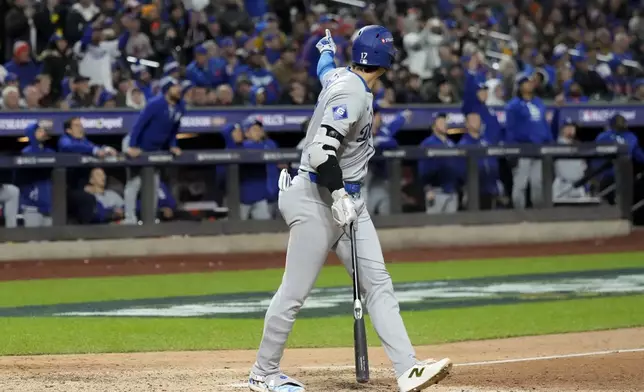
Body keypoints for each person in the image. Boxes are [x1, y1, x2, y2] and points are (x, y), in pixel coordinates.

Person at [248, 26, 451, 392]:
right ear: (386, 60)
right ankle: (263, 373)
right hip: (316, 198)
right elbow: (319, 151)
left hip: (347, 200)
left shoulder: (342, 77)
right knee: (294, 293)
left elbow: (325, 68)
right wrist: (339, 195)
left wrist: (325, 50)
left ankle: (408, 368)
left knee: (378, 285)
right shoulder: (352, 93)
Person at [123, 77, 184, 224]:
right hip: (136, 142)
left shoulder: (180, 107)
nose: (179, 89)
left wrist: (172, 145)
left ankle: (150, 218)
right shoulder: (155, 104)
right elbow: (138, 126)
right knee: (134, 183)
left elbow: (174, 130)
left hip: (154, 148)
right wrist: (132, 146)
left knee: (154, 183)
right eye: (175, 87)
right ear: (167, 89)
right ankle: (129, 219)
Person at [505, 73, 553, 209]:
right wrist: (512, 152)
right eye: (526, 82)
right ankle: (518, 213)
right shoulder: (513, 106)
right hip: (523, 149)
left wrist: (549, 142)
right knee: (521, 184)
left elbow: (544, 124)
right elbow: (511, 130)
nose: (529, 84)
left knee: (538, 183)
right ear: (519, 86)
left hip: (539, 149)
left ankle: (538, 213)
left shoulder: (539, 102)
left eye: (530, 82)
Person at [364, 105, 411, 216]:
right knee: (365, 216)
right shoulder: (362, 133)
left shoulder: (383, 132)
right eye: (377, 116)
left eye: (379, 116)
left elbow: (393, 139)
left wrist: (403, 116)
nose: (380, 118)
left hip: (382, 181)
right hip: (365, 182)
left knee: (386, 214)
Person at [458, 113, 503, 210]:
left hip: (490, 187)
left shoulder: (486, 141)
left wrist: (496, 180)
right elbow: (460, 168)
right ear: (467, 124)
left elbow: (494, 162)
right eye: (473, 120)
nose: (477, 123)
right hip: (473, 188)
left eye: (478, 120)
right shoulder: (463, 144)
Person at [418, 113, 460, 214]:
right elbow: (422, 168)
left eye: (445, 122)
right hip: (436, 191)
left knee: (453, 227)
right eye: (441, 122)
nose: (444, 124)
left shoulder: (451, 144)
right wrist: (427, 189)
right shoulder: (427, 143)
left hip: (452, 191)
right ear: (433, 126)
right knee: (434, 226)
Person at [18, 122, 54, 227]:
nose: (43, 133)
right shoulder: (26, 152)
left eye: (43, 131)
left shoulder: (50, 152)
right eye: (39, 131)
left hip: (48, 206)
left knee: (49, 239)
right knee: (32, 240)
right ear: (32, 133)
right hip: (31, 206)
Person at [239, 117, 273, 220]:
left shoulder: (268, 145)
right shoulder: (241, 147)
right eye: (254, 130)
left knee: (264, 229)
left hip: (260, 196)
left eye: (260, 129)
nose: (258, 132)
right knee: (237, 229)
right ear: (246, 133)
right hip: (242, 196)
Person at [552, 119, 590, 202]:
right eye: (567, 127)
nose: (571, 129)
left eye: (572, 127)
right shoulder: (556, 144)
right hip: (562, 186)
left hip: (578, 186)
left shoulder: (579, 146)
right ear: (561, 129)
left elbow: (583, 167)